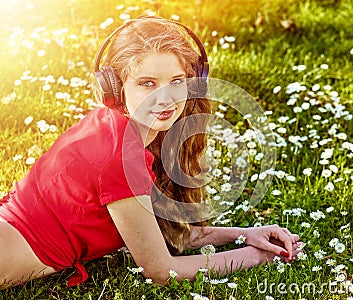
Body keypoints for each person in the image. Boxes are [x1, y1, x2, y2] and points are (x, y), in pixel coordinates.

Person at [0, 16, 303, 289]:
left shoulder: (117, 128)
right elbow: (161, 270)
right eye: (147, 84)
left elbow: (171, 233)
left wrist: (245, 234)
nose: (165, 98)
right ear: (115, 89)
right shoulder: (120, 157)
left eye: (175, 81)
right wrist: (257, 255)